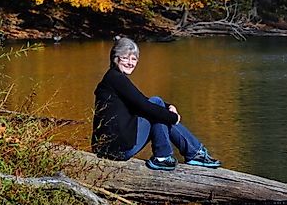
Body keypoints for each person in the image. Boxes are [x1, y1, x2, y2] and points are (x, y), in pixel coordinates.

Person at [92, 37, 220, 170]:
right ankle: (179, 155)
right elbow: (144, 104)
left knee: (157, 106)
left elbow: (140, 100)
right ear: (115, 57)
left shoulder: (113, 78)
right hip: (116, 149)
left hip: (109, 147)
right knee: (156, 105)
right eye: (125, 58)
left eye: (134, 59)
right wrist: (173, 117)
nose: (130, 63)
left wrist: (168, 106)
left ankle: (175, 154)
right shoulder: (115, 78)